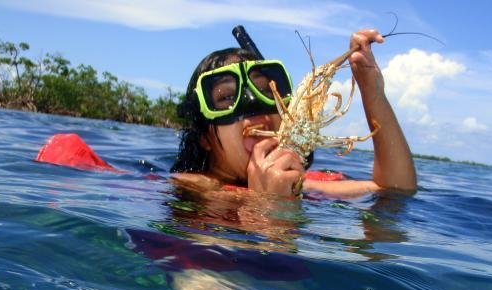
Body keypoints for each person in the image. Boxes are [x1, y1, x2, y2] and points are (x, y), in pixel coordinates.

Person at [172, 29, 417, 198]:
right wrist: (267, 206)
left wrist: (372, 90)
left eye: (266, 90)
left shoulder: (304, 184)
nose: (254, 104)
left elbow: (396, 190)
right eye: (226, 97)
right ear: (204, 137)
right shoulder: (192, 190)